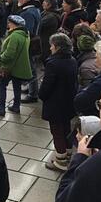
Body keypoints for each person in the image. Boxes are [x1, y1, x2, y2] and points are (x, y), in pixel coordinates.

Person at [39, 33, 78, 172]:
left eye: (51, 45)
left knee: (56, 131)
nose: (50, 48)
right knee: (66, 128)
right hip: (68, 102)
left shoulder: (53, 63)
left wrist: (41, 92)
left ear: (57, 47)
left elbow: (47, 87)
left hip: (55, 104)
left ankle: (60, 160)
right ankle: (67, 153)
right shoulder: (72, 60)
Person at [0, 15, 32, 117]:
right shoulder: (25, 34)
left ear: (14, 24)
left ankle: (1, 108)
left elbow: (9, 54)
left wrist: (1, 57)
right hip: (19, 66)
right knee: (17, 86)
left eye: (10, 22)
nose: (8, 24)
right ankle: (16, 106)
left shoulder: (14, 36)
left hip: (9, 67)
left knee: (1, 85)